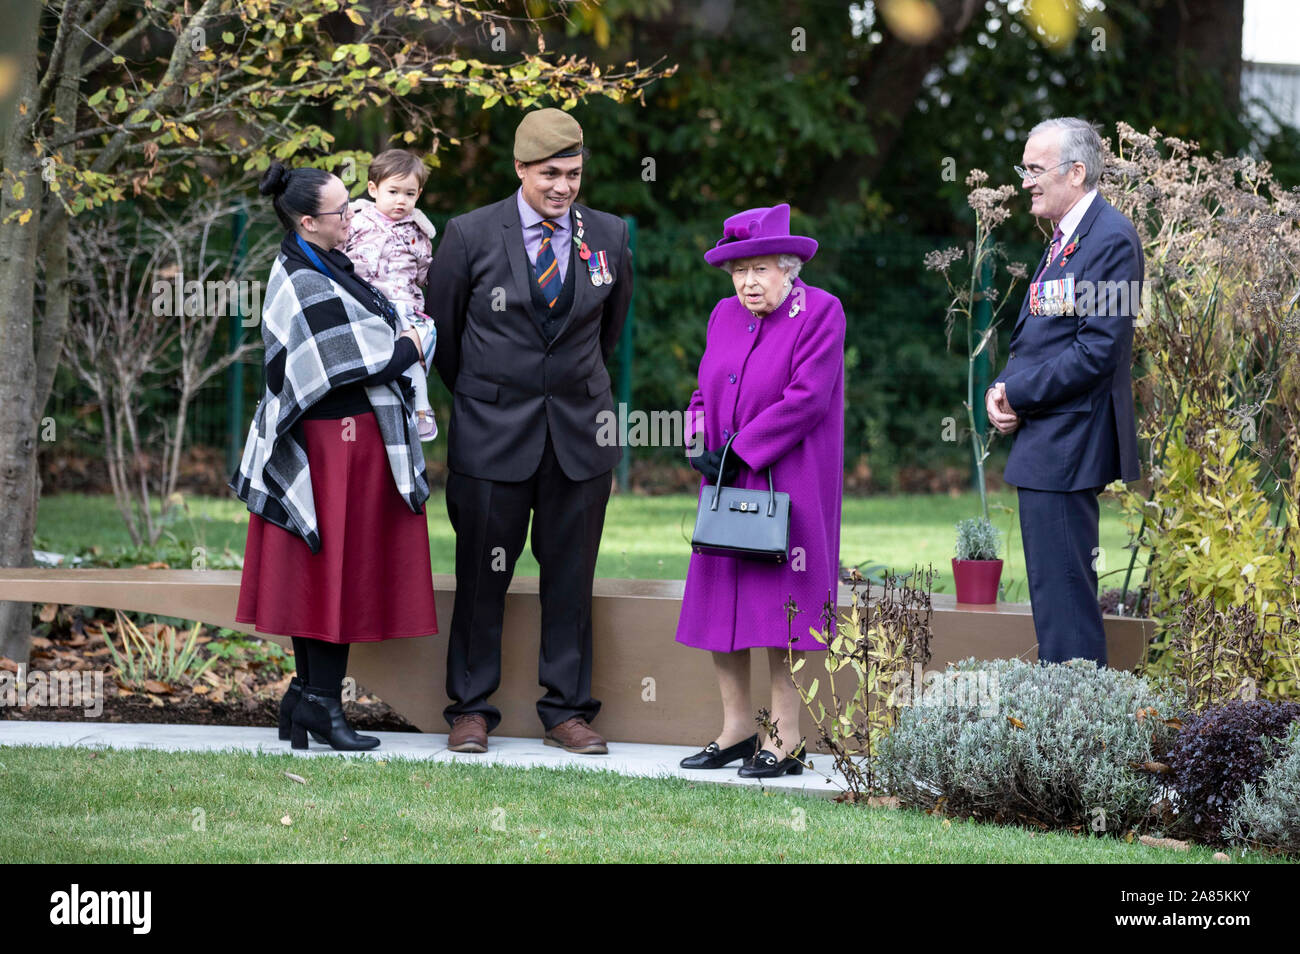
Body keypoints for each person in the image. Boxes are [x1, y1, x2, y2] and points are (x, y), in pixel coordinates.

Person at [426, 108, 632, 754]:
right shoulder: (468, 234)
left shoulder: (609, 235)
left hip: (579, 435)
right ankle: (470, 708)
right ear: (520, 169)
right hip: (491, 435)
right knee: (482, 574)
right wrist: (491, 394)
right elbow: (444, 337)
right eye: (550, 175)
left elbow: (609, 331)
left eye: (573, 174)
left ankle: (566, 711)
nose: (563, 187)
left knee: (570, 577)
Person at [231, 160, 439, 751]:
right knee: (327, 574)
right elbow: (352, 359)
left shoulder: (332, 262)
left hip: (352, 444)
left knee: (332, 572)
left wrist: (400, 341)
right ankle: (320, 702)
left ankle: (306, 698)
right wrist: (407, 344)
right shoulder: (300, 277)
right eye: (341, 211)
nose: (352, 216)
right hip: (326, 446)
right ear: (307, 221)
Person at [675, 203, 846, 779]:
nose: (749, 282)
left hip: (788, 478)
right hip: (725, 480)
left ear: (789, 266)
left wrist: (740, 448)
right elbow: (703, 391)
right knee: (722, 599)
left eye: (761, 269)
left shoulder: (821, 311)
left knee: (783, 607)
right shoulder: (722, 314)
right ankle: (736, 731)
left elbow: (807, 398)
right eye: (739, 271)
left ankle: (785, 737)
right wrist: (697, 436)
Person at [985, 116, 1142, 665]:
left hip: (1072, 441)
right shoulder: (1067, 237)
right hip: (1048, 437)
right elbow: (1042, 334)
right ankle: (1072, 725)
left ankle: (1082, 735)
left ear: (1076, 172)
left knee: (1067, 594)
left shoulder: (1113, 239)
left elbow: (1100, 351)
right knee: (1054, 594)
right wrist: (1004, 391)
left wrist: (1018, 393)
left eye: (1034, 168)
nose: (1026, 180)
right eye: (1023, 168)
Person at [343, 148, 440, 441]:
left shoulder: (418, 232)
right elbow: (339, 255)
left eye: (409, 194)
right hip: (364, 303)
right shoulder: (356, 221)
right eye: (393, 191)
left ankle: (421, 408)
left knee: (413, 352)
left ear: (418, 194)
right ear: (373, 189)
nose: (401, 200)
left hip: (404, 305)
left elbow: (424, 270)